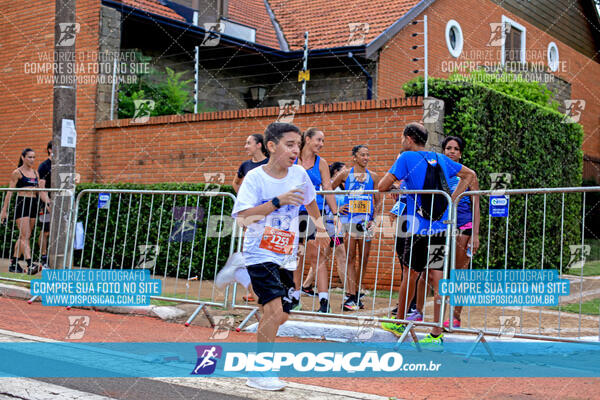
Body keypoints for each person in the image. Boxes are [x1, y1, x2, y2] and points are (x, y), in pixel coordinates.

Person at [216, 122, 329, 391]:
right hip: (259, 251)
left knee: (280, 316)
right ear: (271, 146)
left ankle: (241, 274)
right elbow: (244, 218)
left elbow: (310, 200)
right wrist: (278, 201)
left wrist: (322, 229)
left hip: (285, 254)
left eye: (298, 145)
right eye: (290, 145)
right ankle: (260, 371)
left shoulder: (300, 173)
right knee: (274, 310)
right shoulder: (255, 178)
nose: (295, 150)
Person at [378, 123, 478, 351]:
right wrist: (451, 199)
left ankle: (399, 322)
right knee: (437, 277)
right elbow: (470, 175)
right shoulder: (439, 158)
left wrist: (399, 187)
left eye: (403, 137)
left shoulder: (405, 158)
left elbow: (382, 187)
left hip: (415, 227)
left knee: (410, 274)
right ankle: (436, 334)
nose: (402, 141)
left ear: (409, 139)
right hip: (440, 227)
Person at [293, 128, 341, 313]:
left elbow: (327, 188)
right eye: (318, 140)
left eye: (323, 141)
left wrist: (335, 215)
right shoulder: (293, 159)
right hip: (295, 213)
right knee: (296, 255)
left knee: (317, 255)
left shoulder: (321, 163)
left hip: (316, 212)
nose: (321, 144)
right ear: (307, 139)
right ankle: (294, 297)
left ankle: (323, 301)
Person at [302, 162, 359, 311]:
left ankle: (306, 285)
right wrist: (336, 210)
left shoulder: (342, 187)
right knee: (340, 255)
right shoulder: (327, 186)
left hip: (334, 226)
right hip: (328, 224)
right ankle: (350, 293)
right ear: (335, 173)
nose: (345, 173)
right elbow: (321, 203)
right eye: (342, 170)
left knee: (324, 256)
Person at [332, 145, 381, 308]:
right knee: (351, 256)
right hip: (350, 221)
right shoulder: (345, 174)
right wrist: (336, 209)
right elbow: (328, 189)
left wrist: (374, 218)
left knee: (364, 257)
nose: (366, 158)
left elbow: (379, 200)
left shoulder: (373, 176)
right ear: (354, 157)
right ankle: (351, 294)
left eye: (368, 155)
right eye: (362, 155)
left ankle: (357, 290)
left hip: (367, 222)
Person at [440, 136, 480, 328]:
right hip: (441, 227)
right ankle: (438, 314)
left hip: (463, 227)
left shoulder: (470, 175)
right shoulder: (438, 173)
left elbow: (476, 205)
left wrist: (476, 234)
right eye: (448, 148)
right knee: (438, 273)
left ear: (461, 153)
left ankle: (455, 316)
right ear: (443, 151)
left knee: (459, 274)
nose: (452, 151)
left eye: (456, 149)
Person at [0, 148, 50, 274]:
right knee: (24, 236)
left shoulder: (35, 173)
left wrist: (49, 203)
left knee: (25, 236)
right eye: (29, 157)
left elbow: (41, 191)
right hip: (22, 204)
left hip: (33, 204)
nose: (32, 160)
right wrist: (4, 211)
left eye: (34, 157)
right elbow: (9, 192)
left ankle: (14, 264)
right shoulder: (17, 172)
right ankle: (30, 263)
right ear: (23, 158)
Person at [232, 133, 269, 302]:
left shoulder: (269, 163)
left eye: (249, 143)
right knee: (250, 253)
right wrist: (244, 201)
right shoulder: (245, 165)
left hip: (269, 216)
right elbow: (235, 182)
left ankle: (269, 291)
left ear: (259, 145)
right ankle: (253, 291)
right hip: (252, 218)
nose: (246, 146)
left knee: (268, 254)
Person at [37, 141, 52, 269]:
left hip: (61, 203)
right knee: (45, 231)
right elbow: (41, 188)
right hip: (46, 203)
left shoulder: (63, 165)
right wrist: (47, 203)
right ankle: (43, 257)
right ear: (50, 150)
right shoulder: (44, 166)